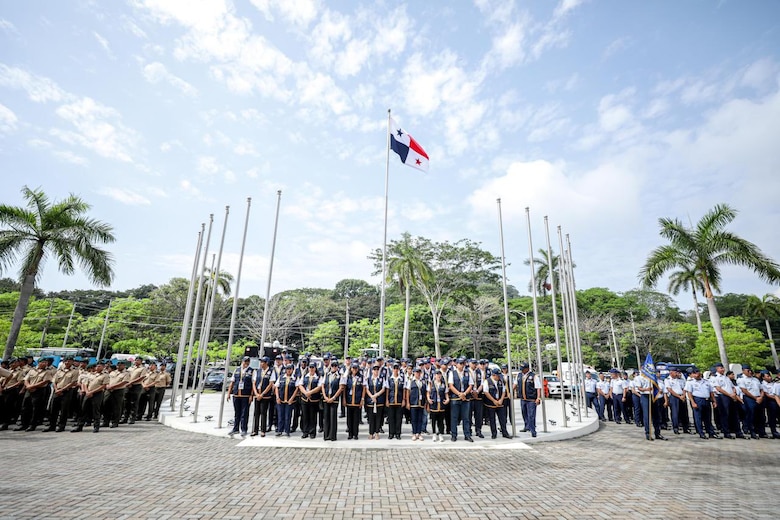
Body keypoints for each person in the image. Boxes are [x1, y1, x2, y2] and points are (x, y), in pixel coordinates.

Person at [16, 357, 55, 431]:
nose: (44, 363)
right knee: (25, 407)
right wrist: (28, 386)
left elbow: (45, 381)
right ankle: (24, 424)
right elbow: (26, 379)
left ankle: (32, 425)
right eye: (43, 362)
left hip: (39, 390)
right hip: (29, 390)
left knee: (36, 409)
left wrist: (33, 386)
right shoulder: (32, 370)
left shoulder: (47, 372)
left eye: (45, 362)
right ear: (39, 362)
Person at [72, 361, 110, 433]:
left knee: (95, 410)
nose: (97, 367)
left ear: (103, 367)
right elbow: (85, 383)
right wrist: (87, 392)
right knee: (83, 409)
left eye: (99, 366)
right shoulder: (91, 375)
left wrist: (92, 392)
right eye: (97, 366)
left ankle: (96, 426)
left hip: (97, 394)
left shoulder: (105, 375)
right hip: (88, 393)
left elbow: (103, 386)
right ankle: (80, 426)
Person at [44, 357, 79, 432]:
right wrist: (56, 389)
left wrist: (62, 390)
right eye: (65, 361)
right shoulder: (60, 369)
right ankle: (52, 425)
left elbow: (73, 382)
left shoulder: (75, 371)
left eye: (69, 361)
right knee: (53, 409)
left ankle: (61, 426)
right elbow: (54, 381)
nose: (67, 362)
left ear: (72, 362)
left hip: (67, 391)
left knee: (64, 410)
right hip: (57, 391)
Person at [684, 367, 719, 439]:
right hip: (697, 400)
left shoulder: (706, 381)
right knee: (698, 418)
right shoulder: (690, 382)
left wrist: (714, 401)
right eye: (694, 374)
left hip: (706, 400)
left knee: (708, 418)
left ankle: (711, 432)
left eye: (696, 373)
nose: (695, 375)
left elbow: (711, 392)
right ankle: (701, 433)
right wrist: (693, 402)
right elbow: (689, 393)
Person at [634, 371, 667, 441]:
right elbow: (639, 388)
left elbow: (656, 385)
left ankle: (658, 433)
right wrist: (646, 389)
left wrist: (659, 389)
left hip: (653, 396)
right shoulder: (639, 377)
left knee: (656, 415)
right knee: (647, 416)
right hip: (645, 396)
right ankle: (648, 433)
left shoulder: (651, 377)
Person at [226, 357, 254, 437]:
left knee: (244, 413)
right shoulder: (237, 370)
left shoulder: (252, 371)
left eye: (248, 361)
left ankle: (244, 429)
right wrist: (229, 393)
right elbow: (232, 382)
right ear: (242, 361)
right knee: (237, 413)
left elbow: (253, 384)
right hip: (236, 394)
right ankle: (235, 428)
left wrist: (251, 395)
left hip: (246, 395)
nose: (246, 363)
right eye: (245, 361)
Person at [447, 357, 473, 442]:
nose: (462, 365)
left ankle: (467, 434)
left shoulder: (467, 373)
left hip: (465, 398)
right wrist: (459, 394)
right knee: (454, 417)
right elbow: (451, 385)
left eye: (463, 364)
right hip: (455, 398)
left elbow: (470, 385)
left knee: (466, 418)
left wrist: (464, 393)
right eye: (460, 364)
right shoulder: (452, 373)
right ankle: (454, 435)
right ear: (456, 364)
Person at [483, 367, 511, 439]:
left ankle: (505, 432)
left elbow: (504, 391)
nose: (499, 377)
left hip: (500, 403)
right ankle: (494, 433)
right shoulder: (487, 381)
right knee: (492, 419)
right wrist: (494, 400)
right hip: (491, 403)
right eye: (498, 375)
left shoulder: (501, 381)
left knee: (502, 419)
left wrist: (501, 400)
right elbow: (486, 392)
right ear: (493, 375)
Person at [251, 356, 275, 437]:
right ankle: (255, 430)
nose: (261, 364)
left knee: (263, 413)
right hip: (257, 394)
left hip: (265, 396)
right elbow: (254, 383)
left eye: (263, 362)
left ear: (266, 363)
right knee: (256, 413)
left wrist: (262, 394)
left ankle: (263, 430)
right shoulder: (257, 371)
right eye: (261, 362)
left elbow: (270, 384)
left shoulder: (271, 371)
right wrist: (256, 393)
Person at [736, 366, 762, 439]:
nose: (750, 372)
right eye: (748, 371)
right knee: (751, 415)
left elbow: (761, 389)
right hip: (749, 398)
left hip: (758, 398)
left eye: (750, 370)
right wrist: (755, 398)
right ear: (743, 371)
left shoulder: (755, 380)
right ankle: (751, 431)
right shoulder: (741, 380)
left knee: (759, 415)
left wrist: (760, 397)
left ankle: (759, 431)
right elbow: (744, 391)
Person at [517, 362, 542, 438]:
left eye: (523, 369)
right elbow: (515, 384)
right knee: (524, 414)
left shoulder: (533, 376)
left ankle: (533, 430)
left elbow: (538, 387)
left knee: (531, 415)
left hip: (531, 399)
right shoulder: (519, 375)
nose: (522, 371)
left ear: (527, 369)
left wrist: (538, 398)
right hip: (523, 399)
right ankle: (526, 426)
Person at [320, 360, 343, 441]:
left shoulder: (340, 376)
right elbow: (322, 385)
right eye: (332, 365)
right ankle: (326, 435)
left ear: (337, 367)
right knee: (326, 417)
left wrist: (333, 397)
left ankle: (332, 435)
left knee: (333, 417)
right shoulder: (326, 374)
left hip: (334, 399)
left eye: (335, 366)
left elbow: (341, 388)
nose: (334, 367)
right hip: (326, 398)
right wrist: (325, 397)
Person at [297, 363, 321, 439]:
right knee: (304, 416)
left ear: (315, 368)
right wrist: (305, 393)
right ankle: (305, 431)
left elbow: (319, 387)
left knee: (312, 416)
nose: (311, 369)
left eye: (313, 367)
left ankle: (312, 432)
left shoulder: (318, 377)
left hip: (314, 399)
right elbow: (300, 385)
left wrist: (310, 392)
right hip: (305, 399)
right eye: (310, 367)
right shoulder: (305, 376)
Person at [104, 361, 130, 428]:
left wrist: (113, 386)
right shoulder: (112, 372)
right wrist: (108, 386)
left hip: (118, 391)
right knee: (106, 405)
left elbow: (124, 382)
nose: (119, 366)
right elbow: (107, 380)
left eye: (120, 365)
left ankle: (115, 422)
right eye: (118, 365)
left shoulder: (126, 373)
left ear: (124, 366)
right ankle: (106, 421)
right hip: (109, 390)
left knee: (116, 407)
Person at [122, 357, 148, 424]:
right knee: (126, 402)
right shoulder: (130, 368)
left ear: (141, 361)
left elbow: (141, 377)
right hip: (128, 386)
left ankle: (132, 418)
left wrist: (131, 382)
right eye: (136, 360)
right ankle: (125, 417)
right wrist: (128, 383)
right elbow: (126, 375)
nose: (136, 361)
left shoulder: (143, 369)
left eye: (138, 360)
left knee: (134, 402)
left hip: (136, 386)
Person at [341, 362, 364, 440]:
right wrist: (344, 399)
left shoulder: (361, 377)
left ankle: (355, 434)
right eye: (353, 368)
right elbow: (344, 389)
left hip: (357, 401)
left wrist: (362, 399)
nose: (354, 370)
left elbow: (363, 388)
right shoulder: (348, 377)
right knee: (349, 418)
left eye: (356, 368)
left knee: (356, 419)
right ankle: (350, 433)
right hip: (349, 400)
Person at [274, 364, 298, 437]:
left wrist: (292, 398)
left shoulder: (295, 378)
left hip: (289, 401)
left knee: (288, 416)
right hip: (281, 400)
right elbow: (276, 387)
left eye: (290, 369)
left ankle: (287, 431)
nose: (288, 370)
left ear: (292, 370)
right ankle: (280, 430)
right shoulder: (281, 377)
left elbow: (297, 389)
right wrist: (277, 397)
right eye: (287, 368)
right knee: (280, 416)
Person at [364, 365, 387, 440]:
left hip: (379, 400)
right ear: (372, 371)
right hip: (370, 401)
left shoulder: (381, 379)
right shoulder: (368, 379)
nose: (376, 371)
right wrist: (372, 396)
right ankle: (371, 433)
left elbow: (383, 389)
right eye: (374, 370)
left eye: (377, 370)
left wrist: (376, 395)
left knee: (378, 417)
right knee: (371, 418)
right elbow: (366, 389)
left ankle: (377, 432)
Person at [405, 366, 427, 441]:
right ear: (414, 373)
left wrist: (426, 403)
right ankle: (414, 433)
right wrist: (407, 402)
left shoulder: (423, 381)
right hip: (413, 402)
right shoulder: (410, 381)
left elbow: (425, 392)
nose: (418, 374)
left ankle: (419, 433)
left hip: (421, 402)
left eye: (419, 372)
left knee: (420, 419)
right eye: (416, 372)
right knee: (414, 419)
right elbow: (407, 392)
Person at [427, 369, 448, 442]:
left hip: (441, 404)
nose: (438, 376)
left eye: (440, 374)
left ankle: (441, 433)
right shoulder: (431, 383)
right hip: (434, 404)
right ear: (434, 375)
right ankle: (434, 434)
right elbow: (428, 392)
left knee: (441, 421)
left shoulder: (443, 384)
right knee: (433, 420)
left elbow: (446, 393)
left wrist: (447, 399)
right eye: (437, 374)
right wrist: (428, 399)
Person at [386, 362, 405, 440]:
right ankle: (391, 433)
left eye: (397, 368)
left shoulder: (402, 379)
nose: (396, 370)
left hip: (399, 401)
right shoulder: (389, 379)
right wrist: (387, 400)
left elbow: (404, 390)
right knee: (391, 418)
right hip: (391, 401)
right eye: (394, 368)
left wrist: (404, 399)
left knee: (399, 418)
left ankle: (398, 433)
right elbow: (387, 390)